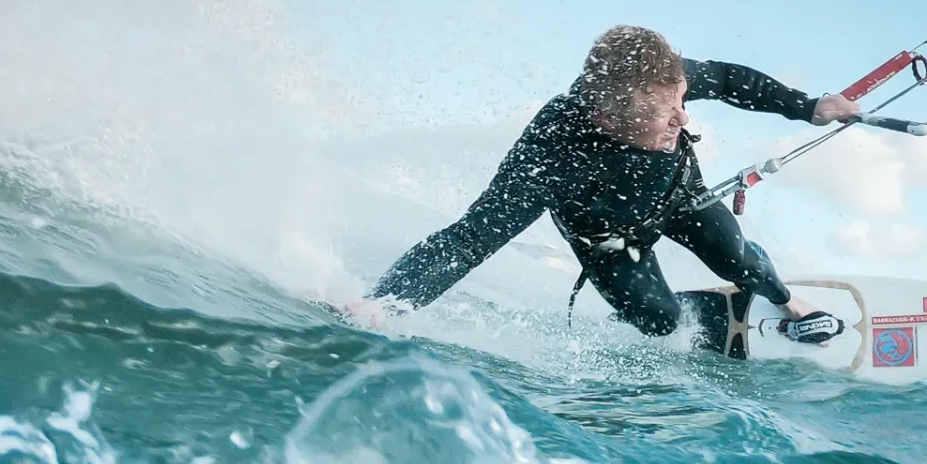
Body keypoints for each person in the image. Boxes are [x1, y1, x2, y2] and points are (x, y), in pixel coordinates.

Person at [352, 25, 861, 345]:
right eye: (665, 119)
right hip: (607, 239)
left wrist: (806, 106)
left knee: (743, 262)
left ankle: (786, 300)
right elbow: (468, 239)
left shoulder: (657, 76)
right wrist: (383, 302)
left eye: (683, 102)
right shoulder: (552, 152)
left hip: (680, 195)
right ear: (606, 117)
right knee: (660, 324)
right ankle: (693, 309)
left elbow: (727, 78)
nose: (683, 121)